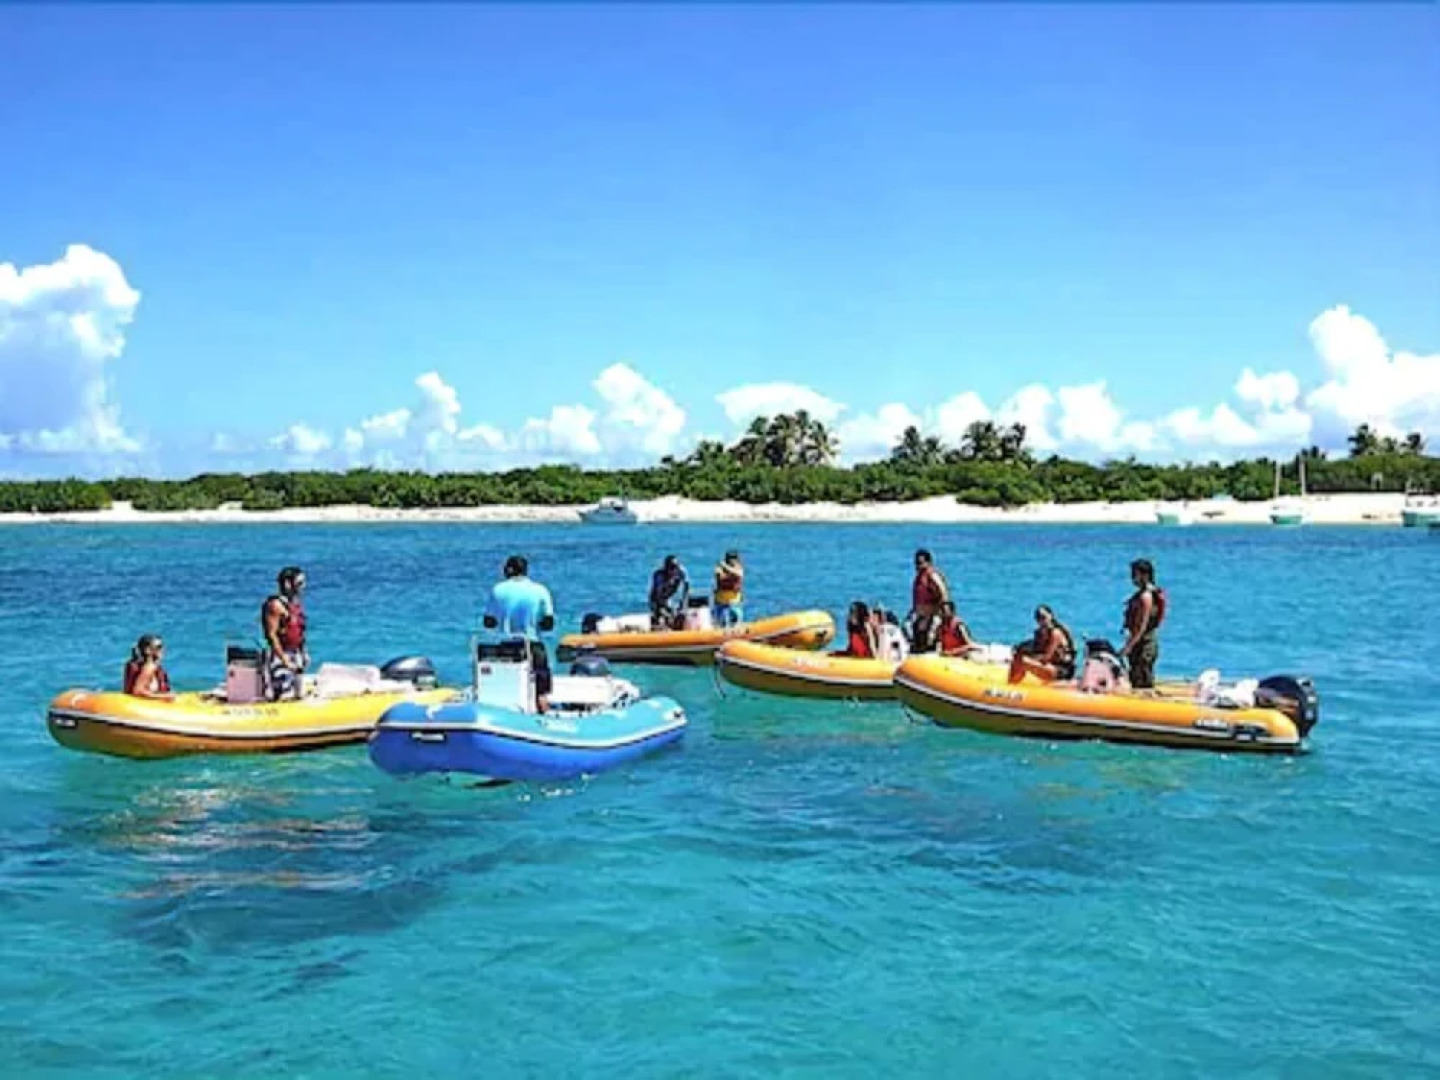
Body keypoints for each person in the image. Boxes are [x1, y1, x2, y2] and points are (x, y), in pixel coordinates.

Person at [483, 554, 557, 713]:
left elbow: (488, 622)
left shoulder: (498, 590)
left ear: (508, 570)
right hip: (533, 645)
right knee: (541, 689)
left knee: (507, 684)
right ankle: (543, 712)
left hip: (506, 646)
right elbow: (549, 624)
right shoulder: (540, 590)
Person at [261, 566, 309, 701]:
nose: (303, 587)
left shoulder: (294, 604)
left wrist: (304, 652)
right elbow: (272, 635)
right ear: (288, 584)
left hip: (295, 653)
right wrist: (284, 660)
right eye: (300, 583)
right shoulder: (275, 605)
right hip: (281, 655)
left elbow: (299, 631)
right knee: (283, 693)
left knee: (298, 693)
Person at [1120, 558, 1166, 690]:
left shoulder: (1146, 597)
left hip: (1144, 645)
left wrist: (1128, 647)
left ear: (1145, 575)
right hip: (1139, 643)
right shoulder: (1142, 594)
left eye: (1134, 574)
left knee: (1142, 681)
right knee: (1136, 678)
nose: (1132, 578)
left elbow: (1141, 626)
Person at [1008, 605, 1078, 684]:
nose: (1041, 620)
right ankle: (1012, 683)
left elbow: (1046, 658)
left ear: (1051, 616)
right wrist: (1020, 651)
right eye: (1038, 618)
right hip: (1049, 666)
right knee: (1018, 657)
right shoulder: (1040, 633)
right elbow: (1035, 649)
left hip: (1061, 671)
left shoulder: (1055, 633)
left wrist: (1029, 658)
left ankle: (1012, 685)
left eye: (1043, 617)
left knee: (1023, 661)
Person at [906, 548, 950, 653]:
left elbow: (943, 592)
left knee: (929, 639)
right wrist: (913, 611)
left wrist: (944, 609)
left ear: (928, 562)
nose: (918, 566)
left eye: (920, 563)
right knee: (910, 630)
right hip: (920, 615)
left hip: (932, 614)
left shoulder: (932, 576)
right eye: (916, 563)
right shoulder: (919, 578)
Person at [122, 634, 174, 700]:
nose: (163, 649)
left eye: (162, 646)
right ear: (147, 650)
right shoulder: (149, 667)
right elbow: (138, 691)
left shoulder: (142, 665)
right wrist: (164, 696)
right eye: (159, 647)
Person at [649, 555, 691, 630]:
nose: (673, 571)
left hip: (671, 595)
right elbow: (657, 594)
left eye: (675, 568)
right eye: (671, 569)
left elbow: (687, 587)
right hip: (658, 597)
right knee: (662, 616)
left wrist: (684, 603)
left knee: (679, 615)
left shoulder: (681, 571)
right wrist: (662, 609)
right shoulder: (659, 576)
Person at [712, 550, 745, 627]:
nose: (733, 561)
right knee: (721, 623)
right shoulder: (719, 568)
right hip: (721, 602)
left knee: (736, 622)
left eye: (734, 559)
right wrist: (724, 568)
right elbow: (718, 575)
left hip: (734, 602)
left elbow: (738, 574)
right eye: (731, 559)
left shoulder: (738, 569)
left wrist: (725, 567)